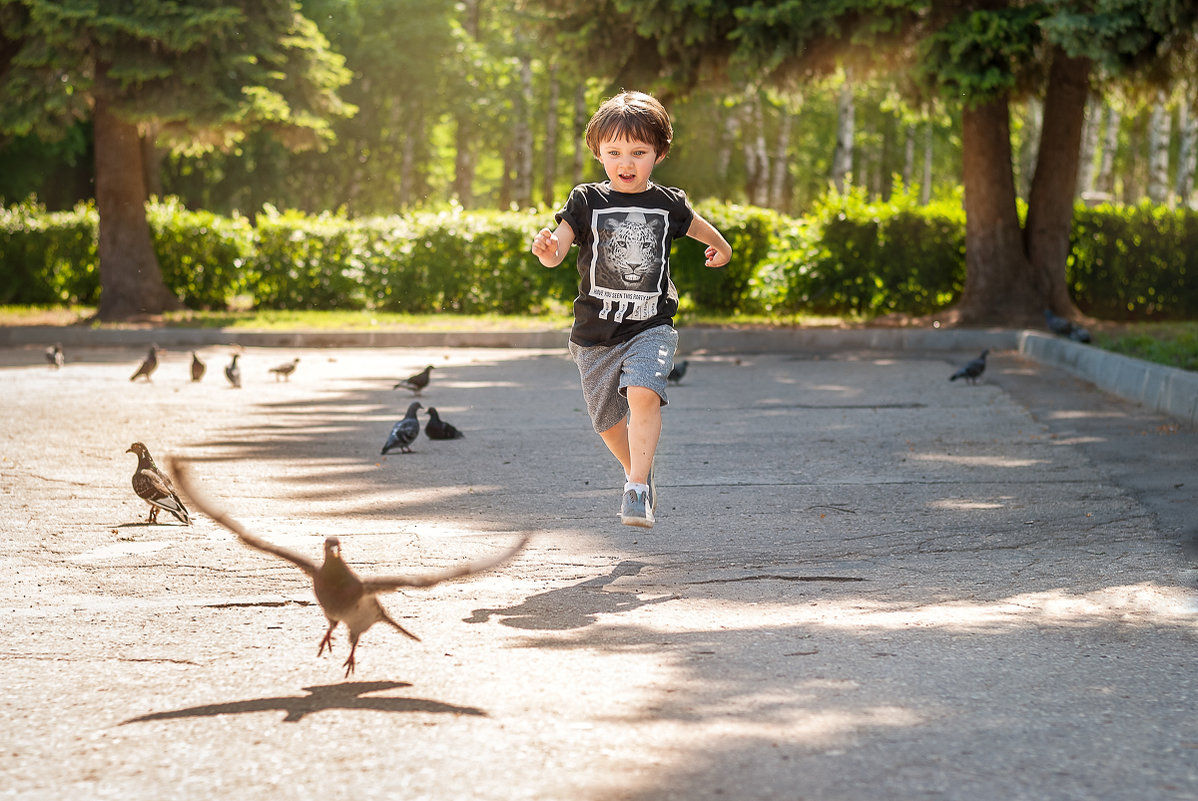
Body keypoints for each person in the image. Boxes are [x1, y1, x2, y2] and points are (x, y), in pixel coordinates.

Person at [531, 90, 732, 528]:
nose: (626, 162)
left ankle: (637, 489)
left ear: (658, 154)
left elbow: (700, 228)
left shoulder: (668, 203)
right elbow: (558, 251)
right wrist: (547, 250)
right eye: (615, 152)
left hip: (651, 327)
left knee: (643, 393)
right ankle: (637, 471)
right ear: (598, 152)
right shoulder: (585, 201)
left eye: (639, 152)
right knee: (606, 423)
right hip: (594, 336)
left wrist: (722, 247)